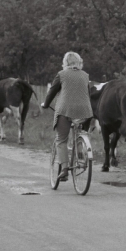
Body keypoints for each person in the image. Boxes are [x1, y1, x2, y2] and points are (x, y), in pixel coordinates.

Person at [41, 52, 94, 181]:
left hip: (65, 110)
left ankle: (64, 169)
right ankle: (81, 157)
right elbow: (86, 93)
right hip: (84, 112)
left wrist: (45, 104)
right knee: (81, 134)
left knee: (61, 139)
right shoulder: (85, 76)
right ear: (78, 62)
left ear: (65, 63)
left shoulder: (61, 75)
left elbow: (52, 92)